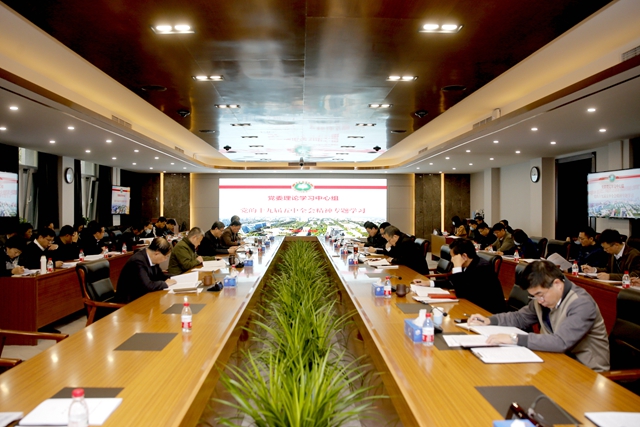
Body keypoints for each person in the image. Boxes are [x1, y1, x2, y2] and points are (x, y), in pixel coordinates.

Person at [468, 260, 610, 372]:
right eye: (534, 296)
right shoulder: (543, 300)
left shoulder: (581, 303)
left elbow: (560, 342)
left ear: (557, 284)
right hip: (556, 363)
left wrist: (514, 338)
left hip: (586, 371)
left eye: (540, 294)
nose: (539, 300)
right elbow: (520, 317)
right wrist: (489, 320)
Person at [448, 239, 507, 313]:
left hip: (488, 312)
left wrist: (457, 267)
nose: (451, 260)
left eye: (453, 257)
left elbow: (461, 293)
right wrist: (433, 283)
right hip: (474, 306)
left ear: (464, 256)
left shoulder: (482, 268)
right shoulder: (468, 264)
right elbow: (453, 282)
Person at [115, 237, 177, 302]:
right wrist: (165, 284)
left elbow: (160, 276)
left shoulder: (152, 259)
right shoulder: (138, 261)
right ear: (157, 253)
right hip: (130, 301)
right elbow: (147, 285)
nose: (165, 259)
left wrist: (177, 277)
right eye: (166, 257)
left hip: (143, 296)